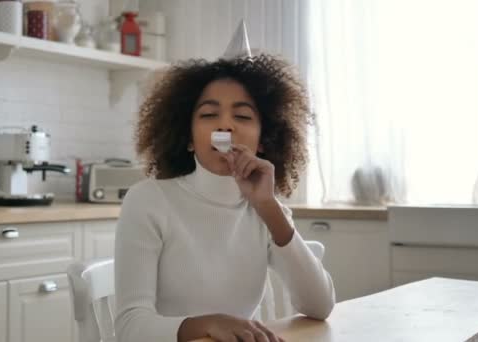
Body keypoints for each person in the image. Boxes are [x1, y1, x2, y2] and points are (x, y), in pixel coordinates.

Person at [114, 51, 336, 342]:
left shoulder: (267, 209)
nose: (225, 126)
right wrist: (207, 324)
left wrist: (269, 208)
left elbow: (320, 306)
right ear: (189, 139)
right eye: (209, 115)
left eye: (242, 116)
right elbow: (130, 329)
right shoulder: (148, 201)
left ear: (263, 141)